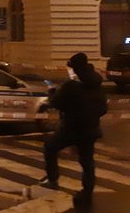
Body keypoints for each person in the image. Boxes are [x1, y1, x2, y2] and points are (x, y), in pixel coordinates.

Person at [39, 52, 108, 205]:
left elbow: (56, 102)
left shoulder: (71, 85)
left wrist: (52, 92)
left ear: (75, 68)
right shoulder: (97, 85)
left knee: (50, 147)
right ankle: (87, 190)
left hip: (71, 129)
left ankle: (52, 179)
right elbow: (103, 109)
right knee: (87, 161)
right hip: (91, 129)